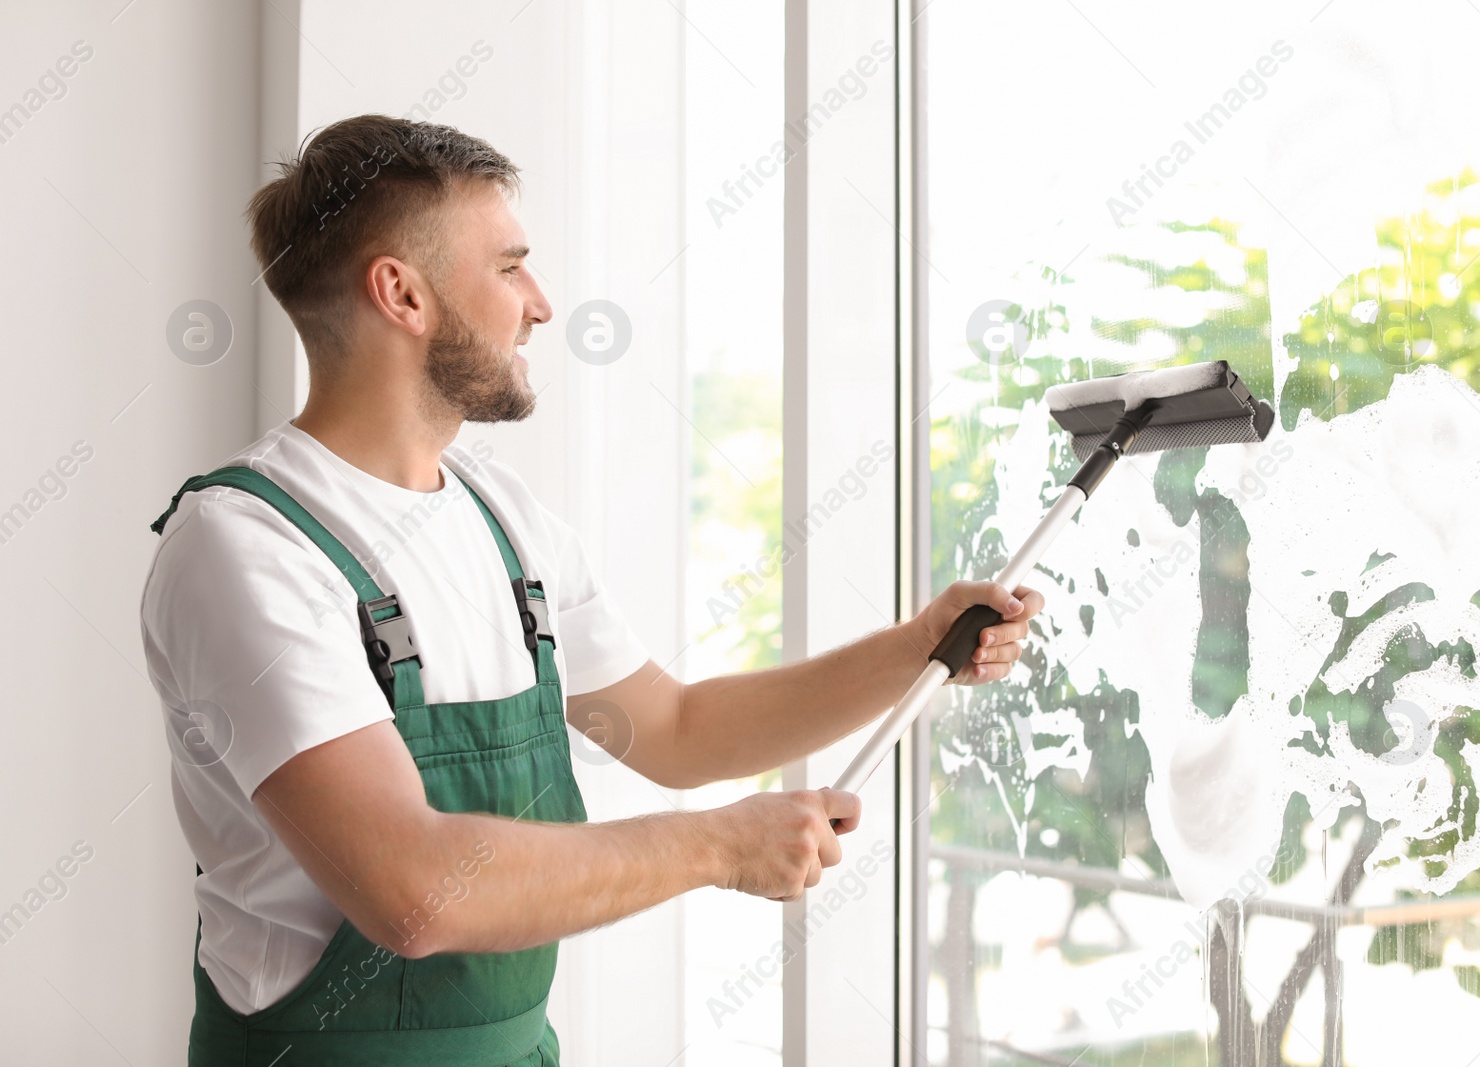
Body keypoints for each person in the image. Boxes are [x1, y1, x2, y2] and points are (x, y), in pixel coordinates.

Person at [140, 113, 1044, 1066]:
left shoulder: (501, 514)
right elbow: (414, 889)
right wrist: (721, 848)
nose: (539, 302)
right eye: (508, 266)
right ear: (400, 293)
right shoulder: (246, 546)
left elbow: (677, 730)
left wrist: (918, 648)